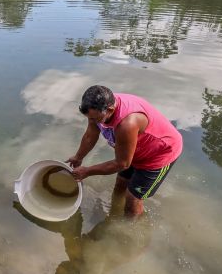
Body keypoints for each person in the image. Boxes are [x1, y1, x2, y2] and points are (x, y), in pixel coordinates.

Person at [67, 85, 182, 217]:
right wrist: (78, 157)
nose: (91, 121)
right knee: (120, 184)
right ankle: (113, 216)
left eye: (94, 119)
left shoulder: (127, 123)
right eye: (89, 118)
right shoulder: (98, 107)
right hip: (133, 150)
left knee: (133, 199)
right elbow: (90, 135)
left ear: (110, 109)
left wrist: (87, 171)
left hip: (159, 155)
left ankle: (128, 230)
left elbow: (122, 163)